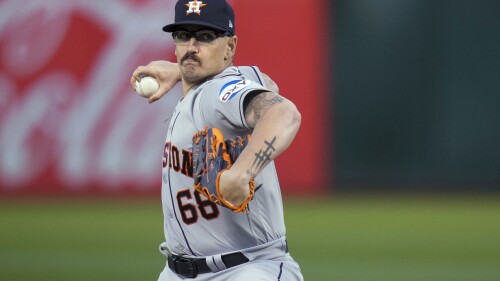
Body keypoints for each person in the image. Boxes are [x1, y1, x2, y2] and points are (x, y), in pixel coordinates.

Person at [130, 0, 303, 280]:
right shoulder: (214, 86)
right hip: (177, 271)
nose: (192, 47)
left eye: (206, 37)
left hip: (247, 270)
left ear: (230, 47)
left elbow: (284, 112)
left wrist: (241, 172)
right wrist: (179, 71)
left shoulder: (216, 93)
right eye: (183, 36)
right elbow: (266, 83)